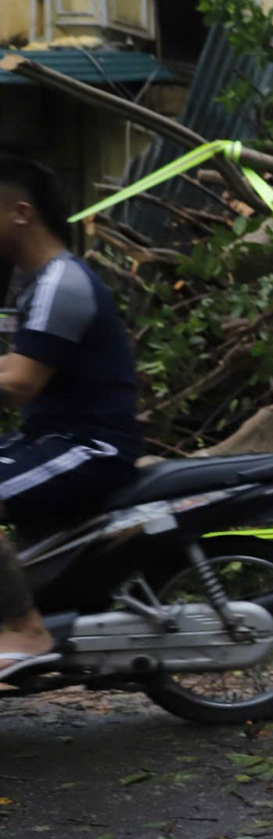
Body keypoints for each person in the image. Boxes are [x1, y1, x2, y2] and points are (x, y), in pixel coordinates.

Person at [0, 155, 142, 681]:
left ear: (20, 212)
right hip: (49, 438)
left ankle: (26, 629)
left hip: (90, 445)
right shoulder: (30, 278)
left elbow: (19, 380)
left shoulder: (62, 281)